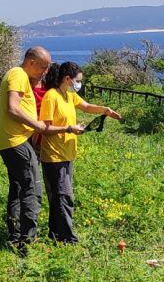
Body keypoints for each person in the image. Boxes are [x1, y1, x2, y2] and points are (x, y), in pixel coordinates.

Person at [0, 47, 79, 252]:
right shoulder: (18, 75)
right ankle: (26, 242)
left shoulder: (26, 79)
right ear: (31, 62)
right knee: (32, 189)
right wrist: (38, 125)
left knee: (20, 187)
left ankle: (16, 235)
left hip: (21, 141)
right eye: (43, 67)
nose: (45, 71)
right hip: (19, 141)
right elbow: (10, 106)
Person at [38, 61, 122, 244]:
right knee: (64, 197)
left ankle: (55, 236)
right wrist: (69, 128)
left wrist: (105, 111)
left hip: (67, 154)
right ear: (67, 79)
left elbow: (86, 106)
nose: (79, 84)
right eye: (77, 81)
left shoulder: (68, 95)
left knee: (58, 198)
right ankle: (68, 240)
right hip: (54, 156)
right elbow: (44, 128)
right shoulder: (51, 97)